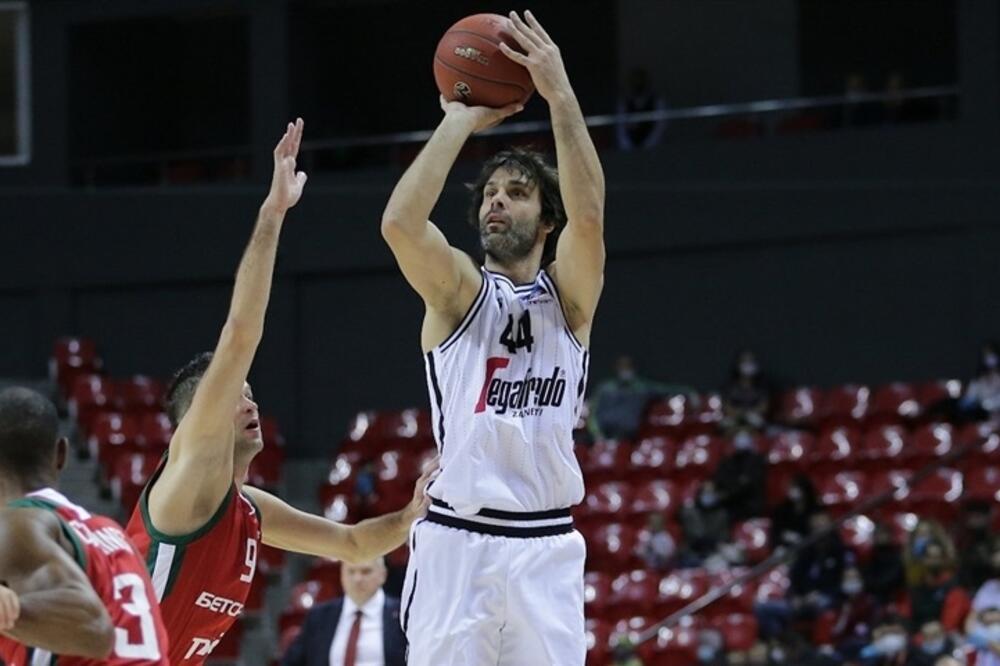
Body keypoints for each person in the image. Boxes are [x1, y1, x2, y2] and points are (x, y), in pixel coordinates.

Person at [125, 120, 435, 665]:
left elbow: (355, 545)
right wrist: (273, 214)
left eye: (251, 393)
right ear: (202, 417)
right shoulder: (188, 477)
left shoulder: (248, 511)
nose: (251, 403)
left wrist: (409, 516)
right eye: (236, 395)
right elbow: (241, 332)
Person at [380, 10, 605, 665]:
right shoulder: (456, 294)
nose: (496, 203)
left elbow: (590, 215)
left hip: (548, 548)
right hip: (459, 542)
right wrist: (459, 117)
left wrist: (559, 93)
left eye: (517, 193)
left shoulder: (570, 301)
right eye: (490, 195)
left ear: (546, 222)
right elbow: (399, 223)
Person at [0, 387, 169, 664]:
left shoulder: (16, 525)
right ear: (62, 454)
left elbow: (93, 630)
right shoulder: (112, 533)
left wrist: (14, 610)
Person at [281, 558, 405, 666]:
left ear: (383, 575)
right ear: (341, 575)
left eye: (366, 571)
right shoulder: (319, 617)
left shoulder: (402, 615)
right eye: (351, 572)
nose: (357, 579)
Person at [713, 428, 767, 521]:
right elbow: (721, 480)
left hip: (751, 505)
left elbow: (753, 482)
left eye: (745, 436)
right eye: (739, 436)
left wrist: (736, 485)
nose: (741, 439)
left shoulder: (757, 461)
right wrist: (739, 483)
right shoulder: (728, 461)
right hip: (731, 505)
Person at [720, 350, 772, 434]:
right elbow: (727, 407)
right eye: (745, 361)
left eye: (750, 361)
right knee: (726, 425)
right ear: (738, 364)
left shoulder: (761, 387)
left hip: (754, 418)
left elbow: (764, 407)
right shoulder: (730, 386)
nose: (748, 364)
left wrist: (749, 415)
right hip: (734, 418)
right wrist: (741, 415)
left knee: (758, 423)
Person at [770, 474, 819, 553]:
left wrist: (801, 539)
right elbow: (775, 532)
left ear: (804, 489)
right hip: (786, 549)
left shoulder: (814, 509)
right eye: (791, 487)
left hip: (808, 550)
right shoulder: (782, 510)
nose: (792, 491)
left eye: (795, 487)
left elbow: (815, 532)